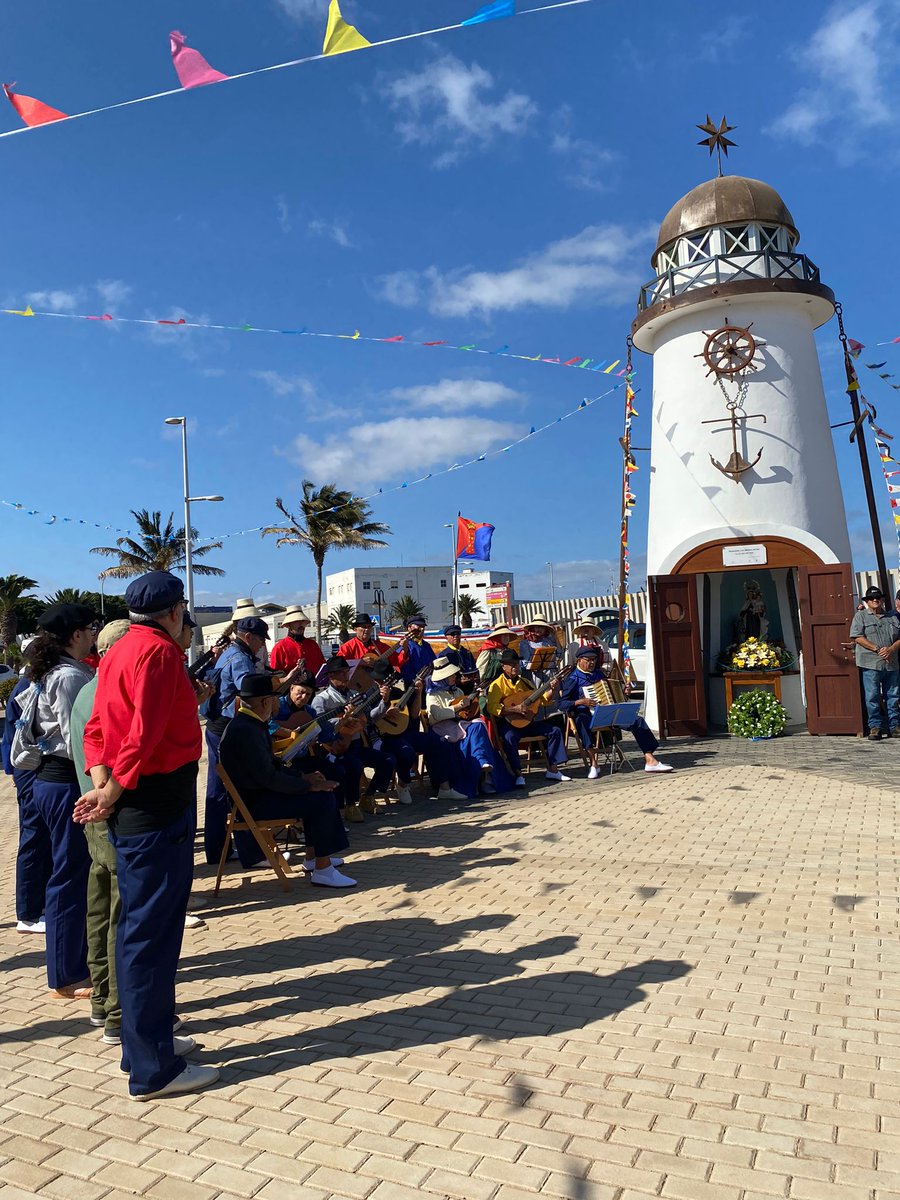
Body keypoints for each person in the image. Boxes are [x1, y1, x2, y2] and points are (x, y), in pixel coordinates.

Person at [75, 570, 219, 1102]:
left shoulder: (115, 651)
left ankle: (143, 1046)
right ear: (176, 612)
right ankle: (153, 1068)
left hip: (136, 802)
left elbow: (98, 730)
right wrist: (111, 792)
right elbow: (144, 733)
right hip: (155, 807)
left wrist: (101, 780)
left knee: (140, 930)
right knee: (152, 937)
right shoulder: (159, 654)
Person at [218, 674, 353, 887]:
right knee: (321, 800)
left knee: (318, 793)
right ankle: (323, 868)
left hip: (258, 796)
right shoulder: (246, 730)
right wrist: (308, 785)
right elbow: (268, 777)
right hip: (253, 804)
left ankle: (313, 858)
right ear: (264, 702)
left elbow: (273, 764)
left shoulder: (249, 724)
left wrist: (304, 777)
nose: (275, 704)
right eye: (273, 699)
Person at [24, 603, 96, 998]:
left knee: (71, 873)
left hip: (56, 782)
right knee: (70, 877)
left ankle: (73, 964)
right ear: (73, 636)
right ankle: (67, 975)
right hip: (66, 781)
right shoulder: (69, 676)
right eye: (88, 628)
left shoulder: (60, 671)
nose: (92, 634)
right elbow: (78, 741)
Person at [69, 619, 130, 1040]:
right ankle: (117, 1011)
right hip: (112, 814)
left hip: (92, 813)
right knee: (119, 914)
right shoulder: (108, 694)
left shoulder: (85, 692)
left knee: (100, 905)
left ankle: (100, 1000)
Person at [203, 615, 270, 864]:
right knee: (240, 788)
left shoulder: (227, 652)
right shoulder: (241, 658)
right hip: (228, 729)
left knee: (218, 791)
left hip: (215, 728)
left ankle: (217, 850)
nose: (262, 645)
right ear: (248, 637)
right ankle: (250, 853)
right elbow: (250, 693)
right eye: (261, 640)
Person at [558, 646, 673, 776]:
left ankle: (650, 759)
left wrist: (624, 692)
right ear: (579, 660)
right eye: (588, 660)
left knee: (637, 720)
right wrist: (580, 702)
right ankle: (594, 763)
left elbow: (612, 694)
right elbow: (561, 704)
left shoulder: (599, 674)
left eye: (594, 659)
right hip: (587, 714)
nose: (592, 662)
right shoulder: (572, 679)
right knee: (581, 720)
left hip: (607, 712)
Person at [2, 642, 50, 935]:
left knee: (40, 840)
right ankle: (29, 913)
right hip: (30, 772)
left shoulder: (30, 685)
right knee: (33, 840)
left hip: (29, 771)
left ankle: (37, 906)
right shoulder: (26, 690)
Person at [312, 657, 395, 815]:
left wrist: (384, 701)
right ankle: (350, 804)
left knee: (388, 760)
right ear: (330, 676)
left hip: (356, 745)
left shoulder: (355, 694)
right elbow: (320, 726)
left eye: (346, 672)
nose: (345, 676)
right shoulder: (321, 699)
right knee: (354, 765)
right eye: (341, 673)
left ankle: (368, 796)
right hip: (336, 748)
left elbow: (369, 718)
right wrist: (343, 720)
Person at [425, 656, 513, 797]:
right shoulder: (432, 695)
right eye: (451, 675)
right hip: (442, 729)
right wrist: (458, 707)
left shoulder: (458, 691)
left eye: (453, 674)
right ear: (443, 678)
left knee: (478, 725)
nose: (455, 677)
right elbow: (436, 714)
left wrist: (474, 701)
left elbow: (467, 713)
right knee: (477, 730)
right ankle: (485, 776)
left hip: (458, 726)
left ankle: (482, 763)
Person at [485, 649, 571, 789]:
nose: (515, 667)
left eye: (517, 664)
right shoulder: (497, 685)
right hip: (509, 724)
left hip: (528, 722)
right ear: (503, 666)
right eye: (512, 664)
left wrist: (553, 689)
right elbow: (491, 707)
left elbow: (542, 700)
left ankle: (553, 769)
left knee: (554, 730)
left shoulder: (525, 682)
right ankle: (518, 774)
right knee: (509, 738)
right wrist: (514, 709)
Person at [849, 585, 900, 740]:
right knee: (872, 695)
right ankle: (875, 727)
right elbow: (857, 636)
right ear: (867, 601)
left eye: (878, 597)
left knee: (893, 695)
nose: (875, 600)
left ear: (883, 599)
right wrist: (878, 649)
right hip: (870, 663)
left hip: (891, 663)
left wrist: (891, 649)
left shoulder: (893, 617)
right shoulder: (861, 616)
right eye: (871, 598)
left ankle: (894, 726)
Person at [270, 605, 325, 677]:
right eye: (297, 621)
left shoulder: (313, 645)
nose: (301, 624)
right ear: (289, 624)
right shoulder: (279, 648)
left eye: (302, 621)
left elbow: (323, 668)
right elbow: (276, 677)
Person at [397, 616, 435, 684]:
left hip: (428, 684)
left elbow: (433, 663)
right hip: (412, 684)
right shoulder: (404, 646)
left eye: (423, 626)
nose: (422, 629)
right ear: (409, 628)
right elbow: (401, 665)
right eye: (419, 626)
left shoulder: (426, 645)